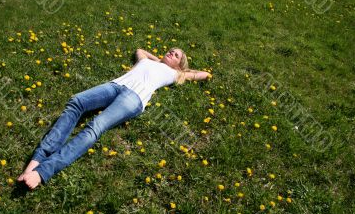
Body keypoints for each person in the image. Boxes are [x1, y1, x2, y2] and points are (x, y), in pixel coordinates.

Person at [17, 48, 211, 189]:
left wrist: (182, 70)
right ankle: (37, 160)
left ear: (180, 64)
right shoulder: (147, 60)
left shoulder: (176, 73)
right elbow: (140, 50)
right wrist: (159, 58)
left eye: (176, 55)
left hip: (133, 98)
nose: (171, 53)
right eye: (170, 50)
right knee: (76, 102)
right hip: (115, 85)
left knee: (95, 126)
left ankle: (43, 172)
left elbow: (202, 74)